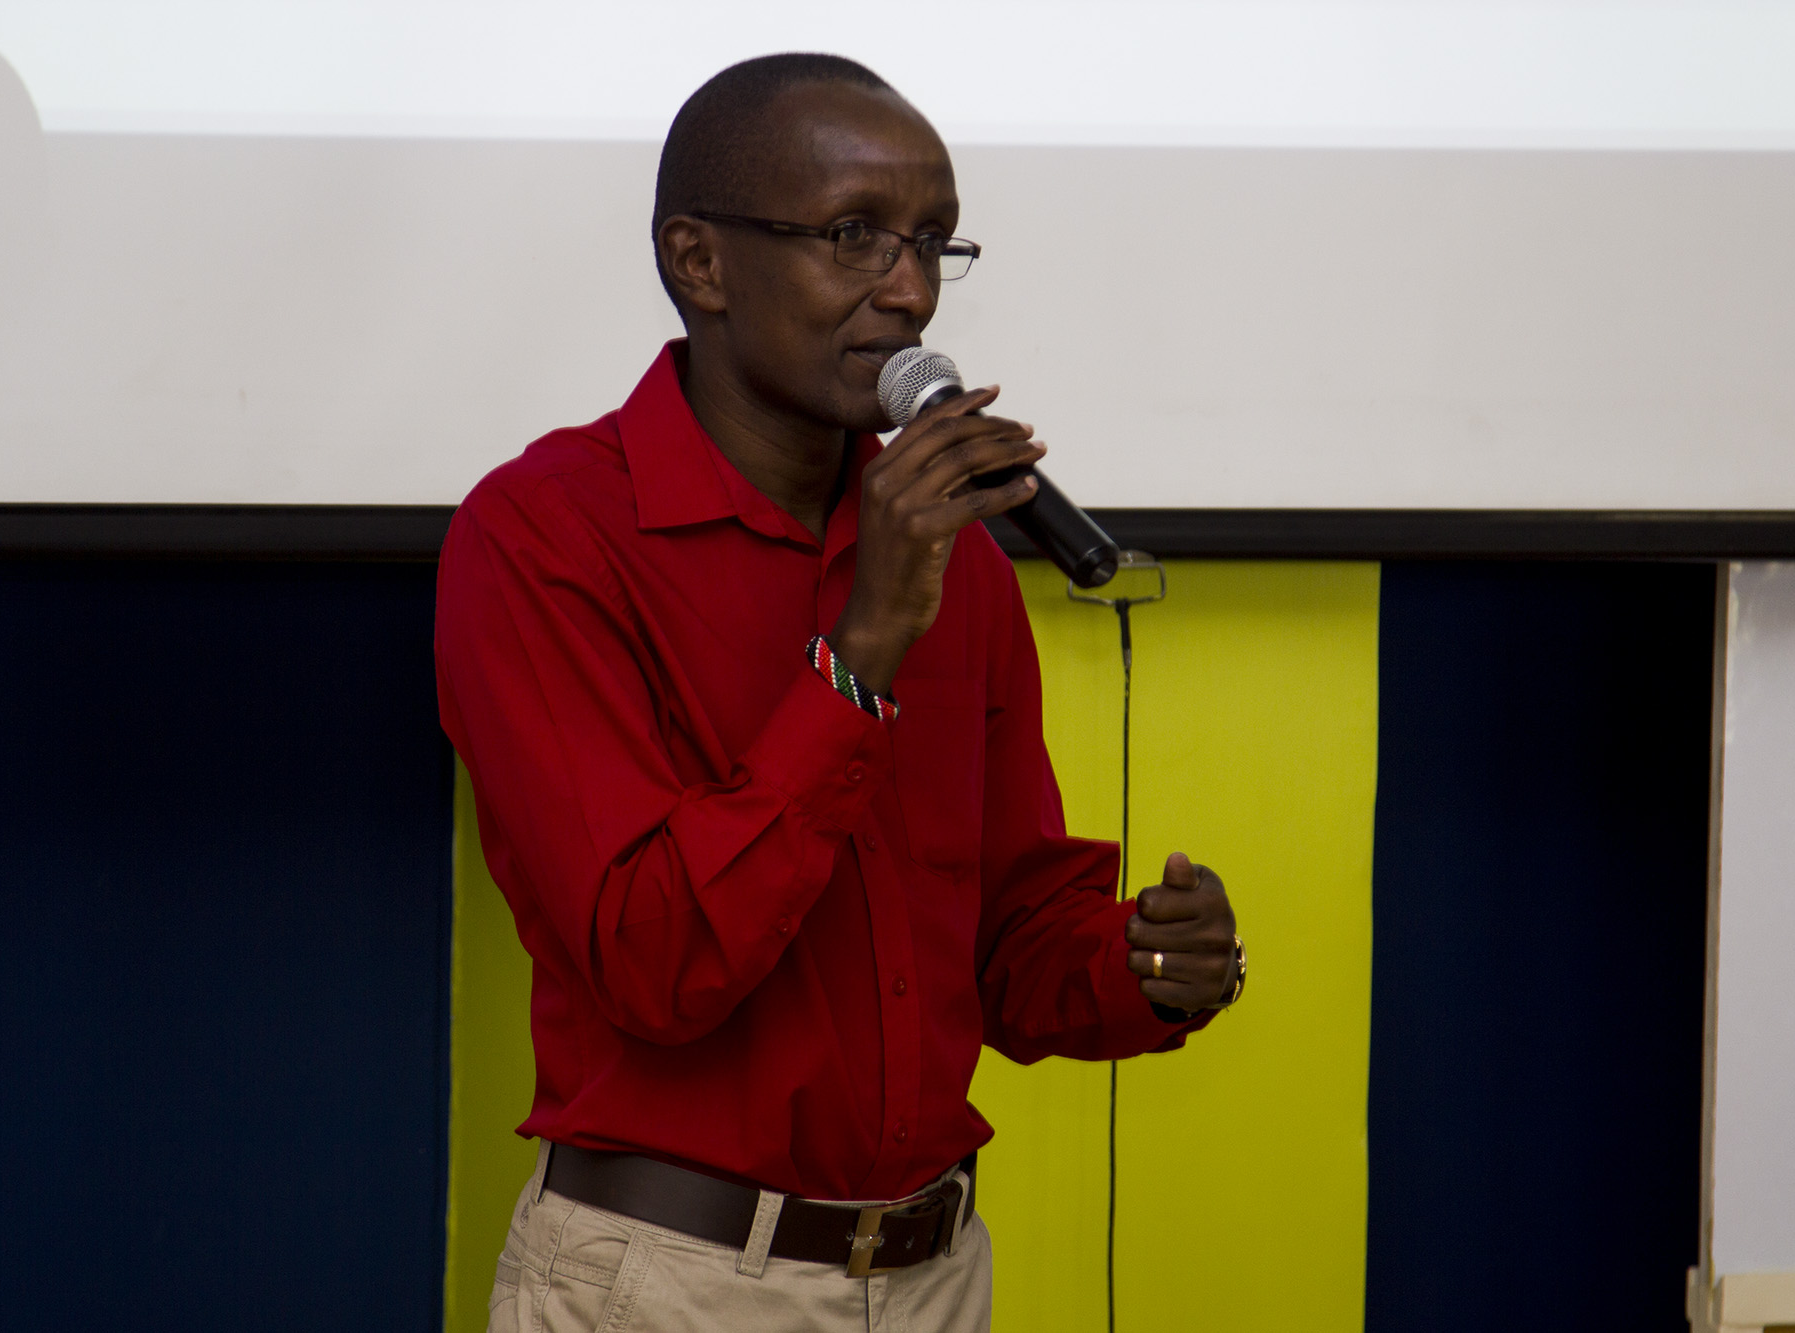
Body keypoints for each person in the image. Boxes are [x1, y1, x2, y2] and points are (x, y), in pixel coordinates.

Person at [435, 52, 1245, 1333]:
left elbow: (1005, 937)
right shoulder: (545, 537)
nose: (911, 291)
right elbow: (653, 965)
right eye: (854, 237)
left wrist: (1138, 965)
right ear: (698, 262)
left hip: (932, 1275)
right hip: (670, 1283)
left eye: (933, 243)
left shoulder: (951, 557)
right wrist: (860, 655)